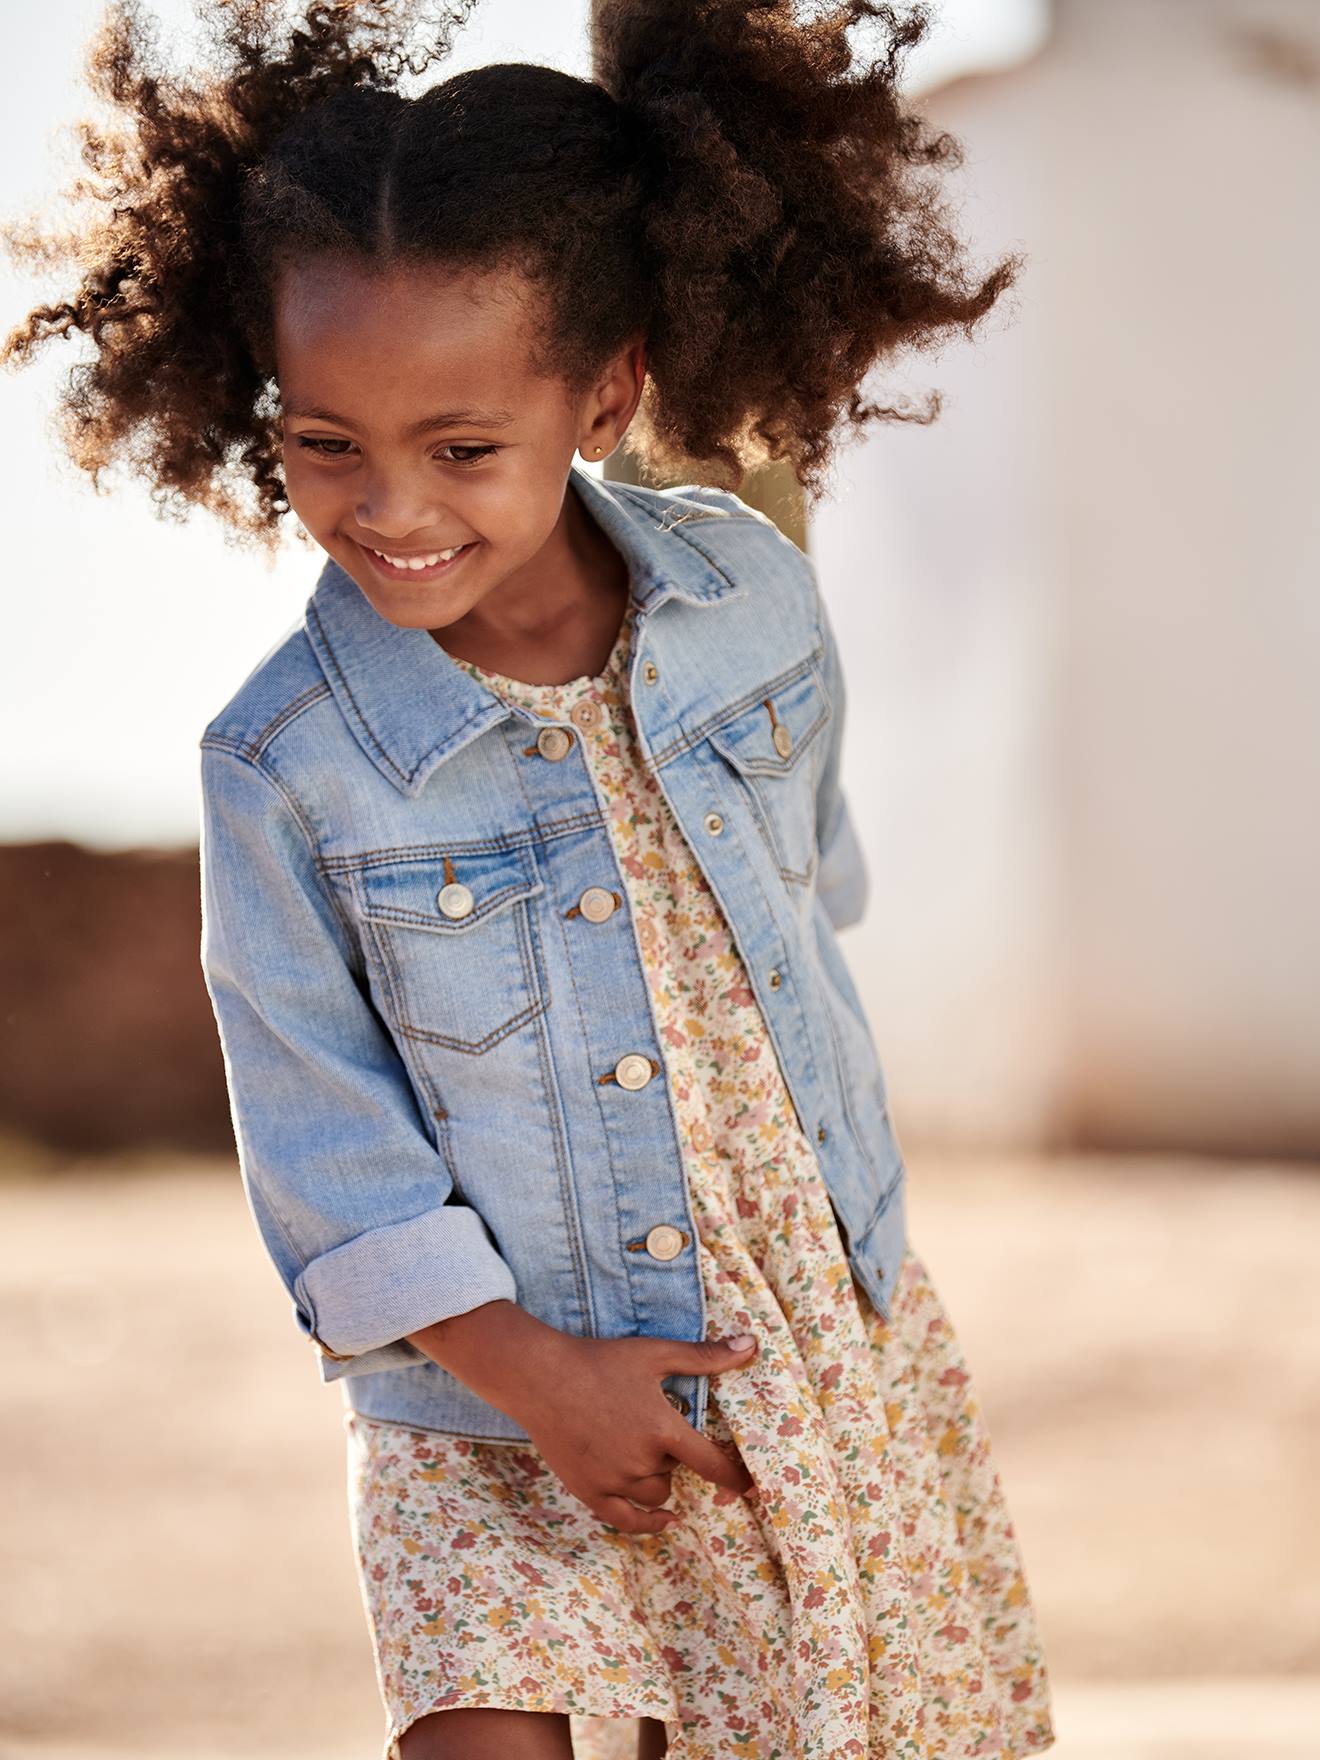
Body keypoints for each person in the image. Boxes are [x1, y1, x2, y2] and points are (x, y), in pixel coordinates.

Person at [5, 1, 1056, 1755]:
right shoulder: (281, 767)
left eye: (464, 446)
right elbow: (327, 1153)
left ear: (609, 389)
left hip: (796, 1348)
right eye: (323, 437)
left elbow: (812, 893)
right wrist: (537, 1377)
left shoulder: (750, 604)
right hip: (482, 1405)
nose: (386, 503)